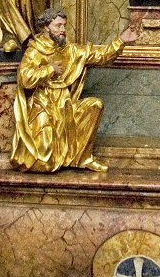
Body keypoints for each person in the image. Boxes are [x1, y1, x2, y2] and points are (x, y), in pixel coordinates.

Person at [11, 9, 138, 172]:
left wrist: (121, 41)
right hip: (43, 106)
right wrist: (49, 69)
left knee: (95, 105)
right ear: (46, 28)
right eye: (58, 26)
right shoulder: (35, 50)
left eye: (64, 25)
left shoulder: (71, 50)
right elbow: (25, 78)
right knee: (43, 162)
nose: (63, 30)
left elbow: (101, 56)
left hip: (65, 107)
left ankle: (83, 158)